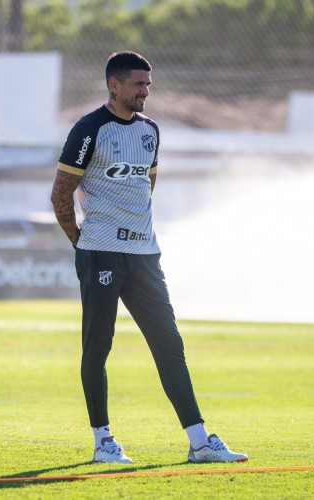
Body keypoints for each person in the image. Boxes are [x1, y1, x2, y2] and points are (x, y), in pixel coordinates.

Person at [50, 51, 247, 464]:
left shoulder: (151, 131)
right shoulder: (88, 130)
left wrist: (134, 231)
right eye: (138, 84)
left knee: (170, 345)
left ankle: (199, 442)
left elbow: (145, 189)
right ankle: (103, 441)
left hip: (144, 254)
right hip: (101, 252)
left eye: (148, 85)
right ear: (114, 85)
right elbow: (60, 194)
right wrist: (81, 242)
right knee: (98, 347)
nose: (145, 91)